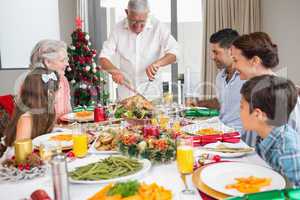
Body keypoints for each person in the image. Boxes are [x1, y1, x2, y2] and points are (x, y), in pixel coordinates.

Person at [99, 0, 179, 100]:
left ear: (147, 14)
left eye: (142, 22)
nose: (138, 26)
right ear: (127, 12)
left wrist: (158, 63)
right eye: (133, 21)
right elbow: (103, 58)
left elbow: (175, 53)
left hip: (152, 95)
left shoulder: (158, 27)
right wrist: (114, 71)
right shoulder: (117, 29)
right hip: (126, 96)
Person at [231, 32, 300, 146]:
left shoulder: (281, 94)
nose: (233, 66)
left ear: (255, 61)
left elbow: (291, 145)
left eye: (236, 60)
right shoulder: (253, 89)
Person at [240, 75, 300, 186]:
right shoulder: (265, 135)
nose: (239, 112)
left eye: (241, 107)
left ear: (258, 114)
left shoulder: (286, 152)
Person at [187, 29, 245, 131]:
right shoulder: (220, 76)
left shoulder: (246, 78)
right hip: (221, 129)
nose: (212, 57)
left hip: (238, 135)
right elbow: (221, 102)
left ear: (231, 51)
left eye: (216, 52)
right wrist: (198, 103)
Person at [0, 67, 59, 159]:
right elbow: (20, 158)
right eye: (57, 89)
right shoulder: (26, 119)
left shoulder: (45, 111)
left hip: (35, 157)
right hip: (16, 164)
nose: (59, 92)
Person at [29, 39, 72, 119]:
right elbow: (37, 120)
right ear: (47, 62)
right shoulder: (32, 83)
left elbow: (68, 114)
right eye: (62, 60)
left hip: (63, 129)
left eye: (67, 60)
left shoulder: (63, 80)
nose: (67, 64)